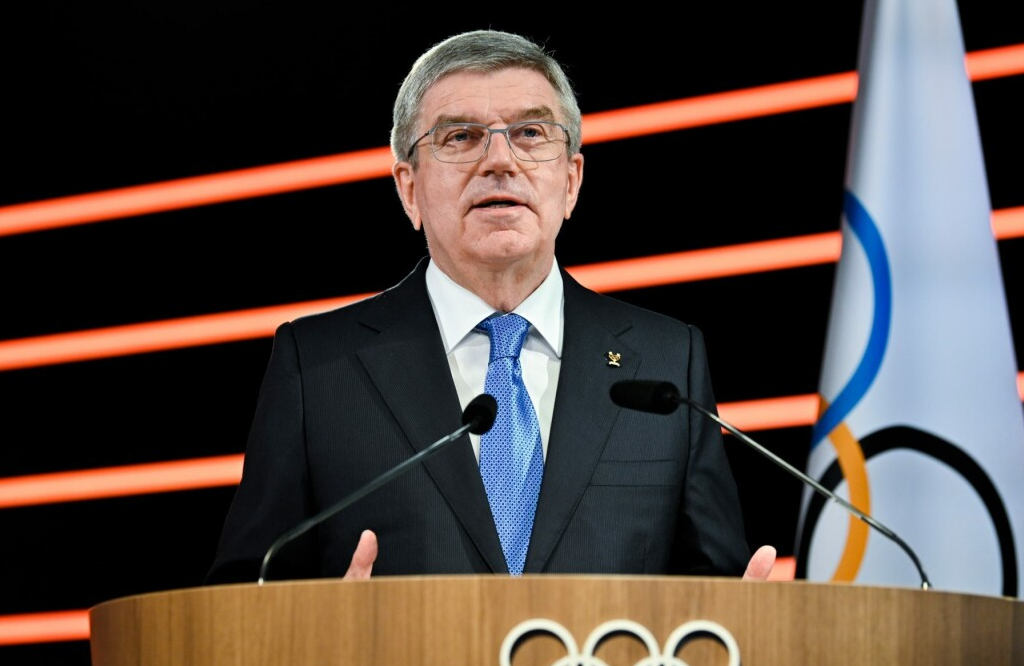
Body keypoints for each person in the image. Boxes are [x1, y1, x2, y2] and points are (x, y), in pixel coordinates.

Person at [206, 29, 775, 585]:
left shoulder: (668, 364)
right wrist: (315, 627)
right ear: (409, 188)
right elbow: (241, 595)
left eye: (530, 133)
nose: (500, 160)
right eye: (460, 137)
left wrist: (740, 618)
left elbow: (716, 588)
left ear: (571, 181)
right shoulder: (316, 366)